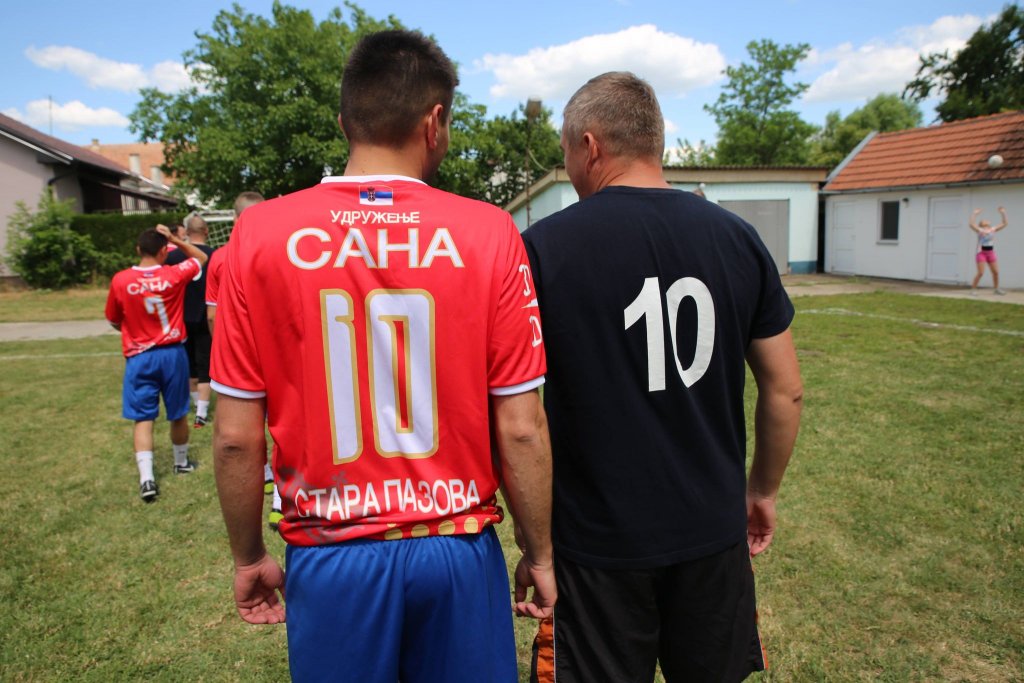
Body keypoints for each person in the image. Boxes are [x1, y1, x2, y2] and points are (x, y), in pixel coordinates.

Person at [209, 29, 555, 682]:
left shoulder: (258, 235)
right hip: (455, 542)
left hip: (330, 551)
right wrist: (540, 552)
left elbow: (234, 436)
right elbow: (521, 425)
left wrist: (248, 555)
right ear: (435, 122)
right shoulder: (489, 231)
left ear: (345, 122)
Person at [522, 72, 803, 682]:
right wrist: (762, 491)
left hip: (597, 544)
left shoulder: (542, 248)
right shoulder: (737, 237)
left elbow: (520, 417)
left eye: (566, 150)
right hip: (712, 532)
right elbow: (786, 389)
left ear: (590, 146)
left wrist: (534, 543)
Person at [105, 224, 209, 501]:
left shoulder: (121, 280)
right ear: (164, 251)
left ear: (138, 249)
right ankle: (181, 462)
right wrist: (175, 238)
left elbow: (114, 319)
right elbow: (201, 257)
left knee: (143, 417)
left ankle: (147, 479)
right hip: (172, 353)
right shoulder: (173, 274)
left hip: (140, 356)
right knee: (178, 413)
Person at [204, 192, 282, 526]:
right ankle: (280, 497)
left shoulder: (221, 257)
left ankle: (267, 478)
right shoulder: (283, 248)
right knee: (282, 424)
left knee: (243, 428)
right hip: (277, 349)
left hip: (241, 350)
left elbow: (213, 314)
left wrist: (223, 350)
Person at [166, 214, 216, 426]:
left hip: (181, 318)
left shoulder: (173, 256)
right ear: (207, 231)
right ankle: (201, 413)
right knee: (205, 366)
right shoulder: (215, 255)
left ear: (186, 232)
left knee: (190, 367)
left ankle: (196, 405)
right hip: (206, 317)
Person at [969, 206, 1009, 295]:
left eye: (987, 221)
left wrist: (1003, 213)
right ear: (981, 224)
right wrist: (974, 214)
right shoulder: (980, 230)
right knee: (980, 273)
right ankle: (973, 289)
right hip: (981, 253)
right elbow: (971, 224)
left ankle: (996, 289)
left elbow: (1005, 223)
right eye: (984, 221)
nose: (986, 220)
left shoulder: (992, 229)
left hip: (991, 253)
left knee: (996, 272)